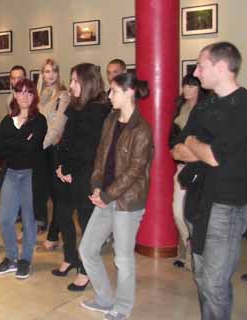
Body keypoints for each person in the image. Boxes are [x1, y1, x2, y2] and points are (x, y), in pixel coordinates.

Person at [172, 42, 247, 320]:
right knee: (202, 277)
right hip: (198, 201)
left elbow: (215, 157)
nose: (195, 71)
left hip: (226, 207)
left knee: (215, 284)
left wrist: (195, 144)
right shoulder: (206, 106)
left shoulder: (243, 106)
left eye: (200, 65)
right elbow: (176, 148)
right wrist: (196, 145)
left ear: (220, 66)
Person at [79, 72, 152, 320]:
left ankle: (122, 307)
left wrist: (107, 194)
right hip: (106, 196)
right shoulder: (110, 120)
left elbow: (135, 170)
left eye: (114, 91)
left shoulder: (142, 128)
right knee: (87, 249)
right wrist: (97, 185)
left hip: (126, 202)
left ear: (129, 92)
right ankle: (104, 298)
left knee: (122, 257)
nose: (109, 96)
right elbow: (100, 156)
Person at [52, 63, 111, 291]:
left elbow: (87, 148)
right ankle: (70, 257)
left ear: (87, 83)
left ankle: (86, 270)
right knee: (63, 212)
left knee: (87, 222)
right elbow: (65, 139)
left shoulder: (97, 109)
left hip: (85, 172)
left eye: (76, 81)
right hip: (68, 170)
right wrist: (60, 165)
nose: (72, 85)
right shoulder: (75, 106)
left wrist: (67, 168)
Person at [0, 79, 47, 279]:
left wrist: (13, 142)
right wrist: (22, 141)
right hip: (12, 173)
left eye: (29, 92)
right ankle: (11, 258)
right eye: (20, 92)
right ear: (14, 95)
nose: (24, 96)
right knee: (5, 219)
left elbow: (31, 148)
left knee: (29, 220)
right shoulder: (7, 121)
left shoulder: (39, 121)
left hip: (31, 174)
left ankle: (25, 260)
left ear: (34, 96)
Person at [169, 74, 206, 270]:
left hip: (200, 170)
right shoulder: (179, 107)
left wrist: (190, 149)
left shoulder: (206, 108)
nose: (187, 89)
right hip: (182, 166)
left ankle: (192, 256)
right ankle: (188, 246)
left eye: (191, 85)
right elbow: (172, 139)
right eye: (185, 85)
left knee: (193, 214)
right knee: (177, 212)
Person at [35, 59, 69, 250]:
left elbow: (57, 127)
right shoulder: (41, 96)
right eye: (46, 71)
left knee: (58, 196)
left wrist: (41, 144)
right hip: (41, 151)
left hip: (54, 150)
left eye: (54, 71)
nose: (50, 75)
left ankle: (54, 235)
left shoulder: (63, 96)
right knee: (44, 192)